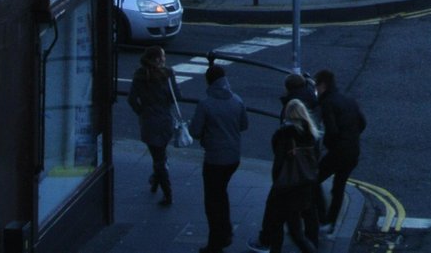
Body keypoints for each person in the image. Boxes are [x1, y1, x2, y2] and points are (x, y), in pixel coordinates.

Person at [190, 61, 248, 253]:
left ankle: (216, 242)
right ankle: (226, 231)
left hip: (214, 158)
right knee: (221, 194)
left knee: (212, 201)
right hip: (233, 157)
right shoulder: (237, 100)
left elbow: (196, 131)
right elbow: (243, 125)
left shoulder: (205, 104)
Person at [262, 97, 321, 253]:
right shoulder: (312, 134)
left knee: (287, 228)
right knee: (293, 227)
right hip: (305, 184)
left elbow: (279, 162)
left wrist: (276, 183)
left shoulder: (284, 134)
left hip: (287, 187)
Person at [314, 68, 367, 233]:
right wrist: (351, 137)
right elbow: (362, 122)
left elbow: (331, 130)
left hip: (338, 151)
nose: (316, 90)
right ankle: (331, 223)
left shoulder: (327, 102)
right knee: (339, 187)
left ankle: (322, 219)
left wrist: (327, 146)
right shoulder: (349, 100)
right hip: (353, 150)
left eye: (317, 86)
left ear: (322, 85)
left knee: (313, 181)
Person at [128, 45, 179, 205]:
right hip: (165, 120)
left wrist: (142, 112)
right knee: (161, 155)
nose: (164, 59)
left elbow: (131, 99)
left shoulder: (139, 75)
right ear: (157, 59)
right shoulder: (168, 74)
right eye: (162, 57)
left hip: (149, 121)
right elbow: (177, 96)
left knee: (158, 156)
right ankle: (164, 189)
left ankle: (160, 184)